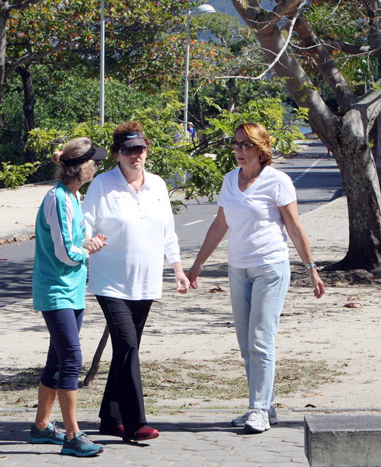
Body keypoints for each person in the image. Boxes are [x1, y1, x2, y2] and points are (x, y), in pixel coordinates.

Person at [186, 122, 325, 434]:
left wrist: (311, 268)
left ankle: (258, 409)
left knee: (261, 340)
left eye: (245, 145)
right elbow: (219, 225)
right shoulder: (229, 181)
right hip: (238, 269)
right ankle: (266, 404)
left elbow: (294, 227)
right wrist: (197, 266)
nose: (238, 150)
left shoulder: (278, 182)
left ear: (262, 150)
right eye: (235, 144)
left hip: (270, 268)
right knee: (246, 343)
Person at [82, 121, 190, 443]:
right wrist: (88, 243)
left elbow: (167, 232)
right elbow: (83, 225)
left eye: (140, 149)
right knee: (128, 345)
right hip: (110, 282)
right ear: (117, 154)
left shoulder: (157, 185)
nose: (136, 155)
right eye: (129, 150)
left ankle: (109, 416)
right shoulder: (102, 186)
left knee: (126, 350)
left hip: (146, 282)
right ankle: (135, 422)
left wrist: (178, 269)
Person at [30, 137, 108, 457]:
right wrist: (87, 249)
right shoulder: (58, 198)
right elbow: (64, 252)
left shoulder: (74, 196)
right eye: (94, 161)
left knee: (58, 359)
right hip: (56, 290)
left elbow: (73, 239)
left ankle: (41, 427)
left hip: (71, 290)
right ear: (79, 167)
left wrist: (89, 241)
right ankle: (73, 436)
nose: (98, 165)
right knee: (72, 360)